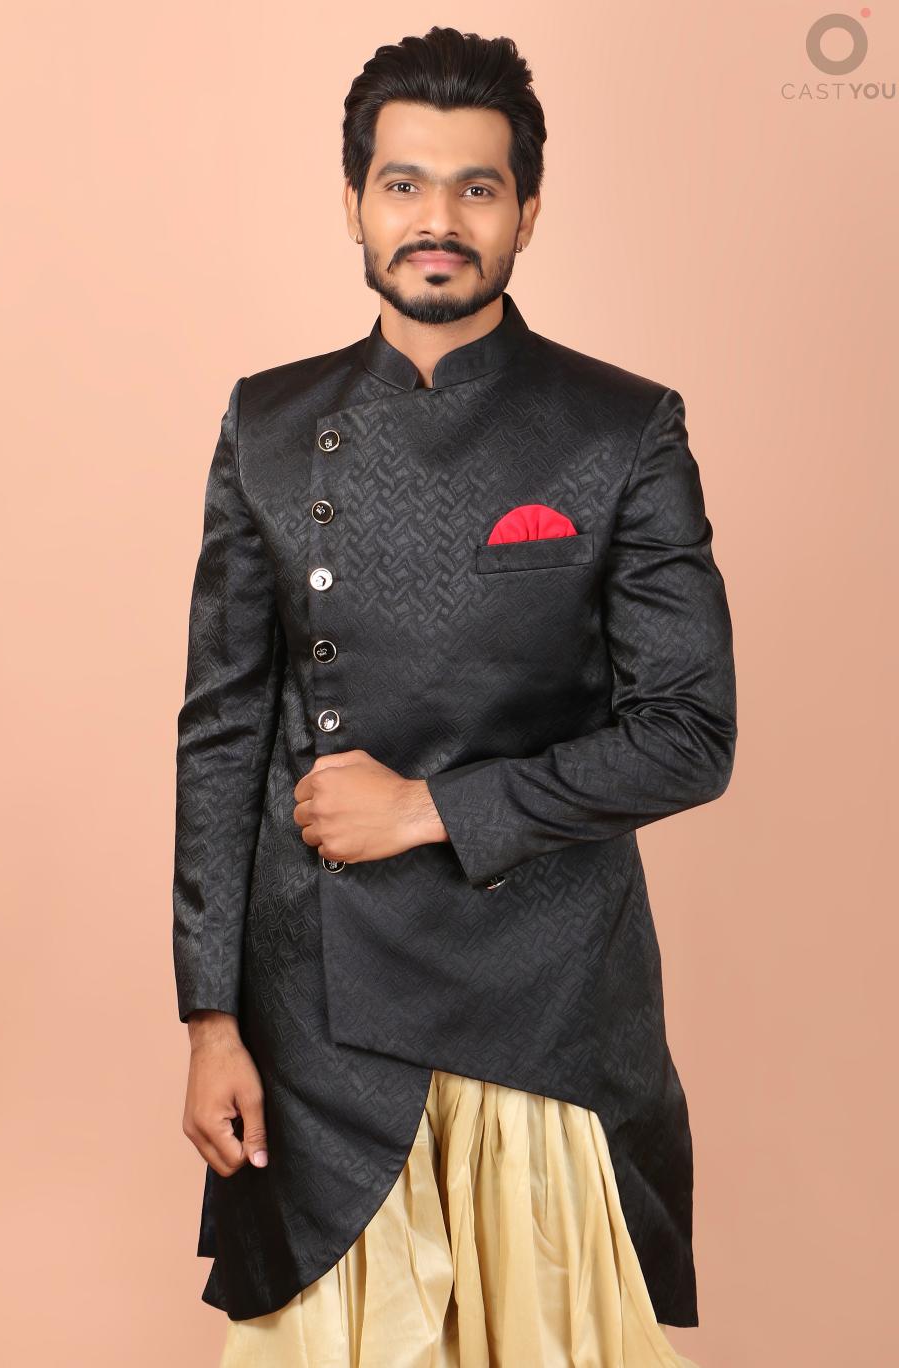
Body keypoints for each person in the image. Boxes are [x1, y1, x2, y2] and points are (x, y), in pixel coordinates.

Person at [173, 25, 736, 1368]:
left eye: (476, 188)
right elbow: (222, 731)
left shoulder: (621, 428)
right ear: (354, 202)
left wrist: (429, 808)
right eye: (404, 184)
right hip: (315, 1015)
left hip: (547, 1003)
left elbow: (689, 736)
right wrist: (208, 1018)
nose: (438, 220)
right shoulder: (267, 424)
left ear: (527, 211)